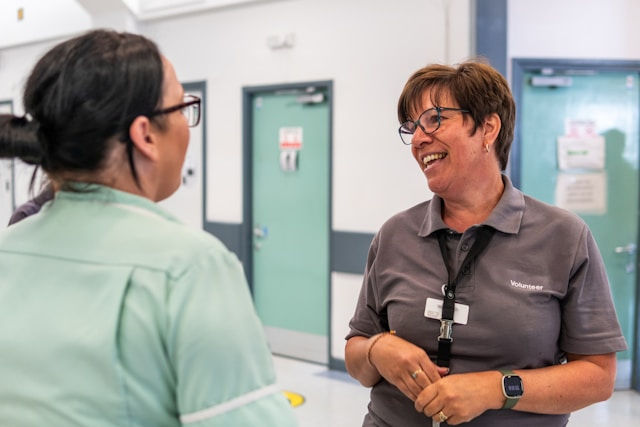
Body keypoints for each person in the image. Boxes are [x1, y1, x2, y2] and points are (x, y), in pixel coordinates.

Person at [0, 30, 297, 426]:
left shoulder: (9, 248)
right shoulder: (190, 267)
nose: (186, 126)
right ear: (144, 135)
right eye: (182, 107)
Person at [344, 60, 627, 426]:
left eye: (434, 119)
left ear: (488, 128)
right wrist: (377, 349)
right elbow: (357, 356)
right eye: (412, 127)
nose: (418, 138)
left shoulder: (564, 237)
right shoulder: (395, 235)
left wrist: (496, 389)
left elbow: (598, 377)